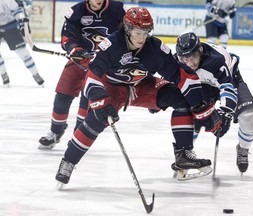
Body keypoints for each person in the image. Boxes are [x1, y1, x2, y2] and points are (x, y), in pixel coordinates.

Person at [55, 7, 222, 185]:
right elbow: (92, 75)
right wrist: (99, 101)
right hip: (113, 87)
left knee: (181, 99)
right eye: (137, 32)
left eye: (145, 32)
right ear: (127, 29)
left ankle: (184, 154)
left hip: (142, 85)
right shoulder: (111, 45)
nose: (142, 37)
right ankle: (68, 161)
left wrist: (200, 105)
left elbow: (180, 75)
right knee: (97, 119)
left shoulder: (155, 48)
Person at [38, 0, 125, 149]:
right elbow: (67, 38)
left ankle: (77, 135)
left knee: (87, 102)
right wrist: (75, 49)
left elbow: (127, 36)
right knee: (62, 95)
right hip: (80, 61)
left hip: (103, 66)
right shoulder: (76, 12)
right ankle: (55, 131)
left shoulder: (117, 10)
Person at [175, 32, 253, 173]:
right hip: (200, 84)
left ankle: (243, 148)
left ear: (200, 51)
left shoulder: (215, 60)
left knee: (251, 119)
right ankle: (185, 155)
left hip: (231, 80)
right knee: (190, 117)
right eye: (185, 59)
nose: (190, 63)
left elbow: (228, 87)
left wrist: (226, 113)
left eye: (194, 57)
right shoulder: (177, 62)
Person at [0, 0, 44, 86]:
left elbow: (17, 10)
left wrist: (21, 22)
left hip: (9, 26)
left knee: (22, 52)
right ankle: (3, 73)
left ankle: (35, 74)